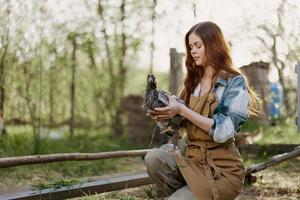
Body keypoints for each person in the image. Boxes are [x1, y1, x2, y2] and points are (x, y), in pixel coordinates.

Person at [145, 21, 260, 200]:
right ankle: (189, 194)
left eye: (198, 45)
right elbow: (178, 127)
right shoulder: (193, 81)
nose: (193, 51)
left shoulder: (234, 82)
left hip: (222, 171)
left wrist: (182, 110)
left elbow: (224, 131)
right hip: (193, 162)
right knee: (153, 158)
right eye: (191, 46)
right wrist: (164, 114)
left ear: (214, 45)